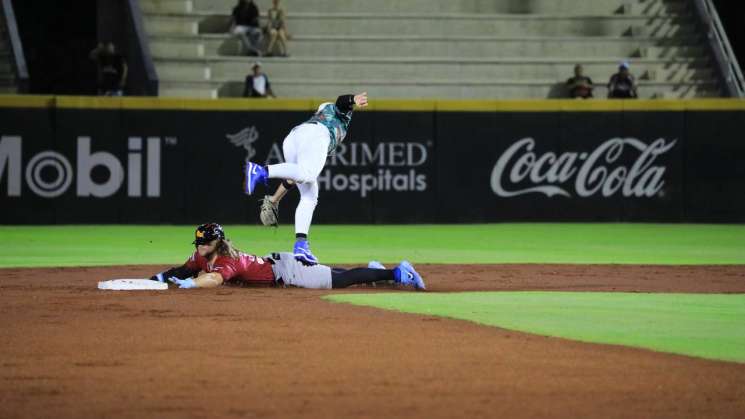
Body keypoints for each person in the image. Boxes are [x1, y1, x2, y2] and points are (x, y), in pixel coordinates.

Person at [243, 92, 369, 266]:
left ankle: (301, 245)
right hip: (317, 135)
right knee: (308, 174)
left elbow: (292, 178)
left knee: (309, 194)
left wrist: (274, 199)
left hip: (293, 138)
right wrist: (353, 99)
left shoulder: (320, 114)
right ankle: (260, 171)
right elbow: (340, 101)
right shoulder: (336, 112)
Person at [148, 223, 426, 290]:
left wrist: (194, 284)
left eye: (203, 244)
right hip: (279, 265)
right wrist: (155, 280)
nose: (198, 248)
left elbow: (216, 278)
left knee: (338, 282)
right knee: (334, 274)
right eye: (197, 244)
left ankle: (397, 273)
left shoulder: (226, 260)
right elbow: (184, 269)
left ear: (214, 243)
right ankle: (372, 270)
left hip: (288, 272)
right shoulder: (203, 256)